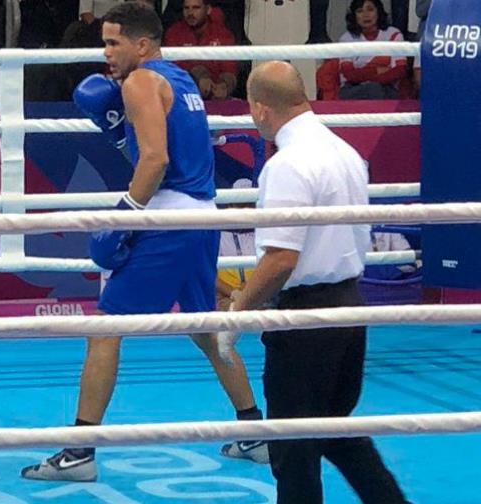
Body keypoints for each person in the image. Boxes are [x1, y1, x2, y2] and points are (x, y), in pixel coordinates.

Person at [20, 2, 266, 483]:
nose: (106, 53)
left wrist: (126, 219)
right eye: (105, 43)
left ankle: (79, 451)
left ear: (143, 44)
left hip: (169, 220)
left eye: (114, 43)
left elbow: (153, 161)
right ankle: (255, 432)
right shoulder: (181, 80)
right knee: (208, 326)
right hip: (201, 216)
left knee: (106, 329)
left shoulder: (138, 82)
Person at [218, 60, 408, 504]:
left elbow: (282, 258)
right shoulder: (343, 152)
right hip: (348, 308)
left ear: (261, 109)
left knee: (294, 449)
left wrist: (238, 312)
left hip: (306, 320)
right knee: (336, 431)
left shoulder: (289, 164)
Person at [162, 0, 238, 101]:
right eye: (186, 8)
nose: (190, 13)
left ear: (208, 9)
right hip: (182, 96)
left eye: (196, 8)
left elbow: (230, 67)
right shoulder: (173, 33)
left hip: (217, 99)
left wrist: (224, 86)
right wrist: (197, 78)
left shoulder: (223, 34)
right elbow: (172, 68)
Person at [337, 0, 408, 100]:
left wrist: (368, 76)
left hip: (387, 87)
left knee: (376, 89)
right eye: (360, 11)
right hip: (352, 88)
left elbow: (399, 70)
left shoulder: (394, 34)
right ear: (354, 16)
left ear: (378, 12)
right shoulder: (346, 38)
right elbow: (349, 74)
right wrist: (376, 70)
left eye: (370, 10)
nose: (366, 15)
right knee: (373, 89)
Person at [216, 178, 255, 311]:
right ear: (230, 205)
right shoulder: (216, 234)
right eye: (240, 205)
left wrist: (252, 290)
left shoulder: (265, 232)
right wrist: (233, 293)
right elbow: (207, 273)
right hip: (226, 298)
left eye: (249, 204)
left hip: (262, 294)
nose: (245, 209)